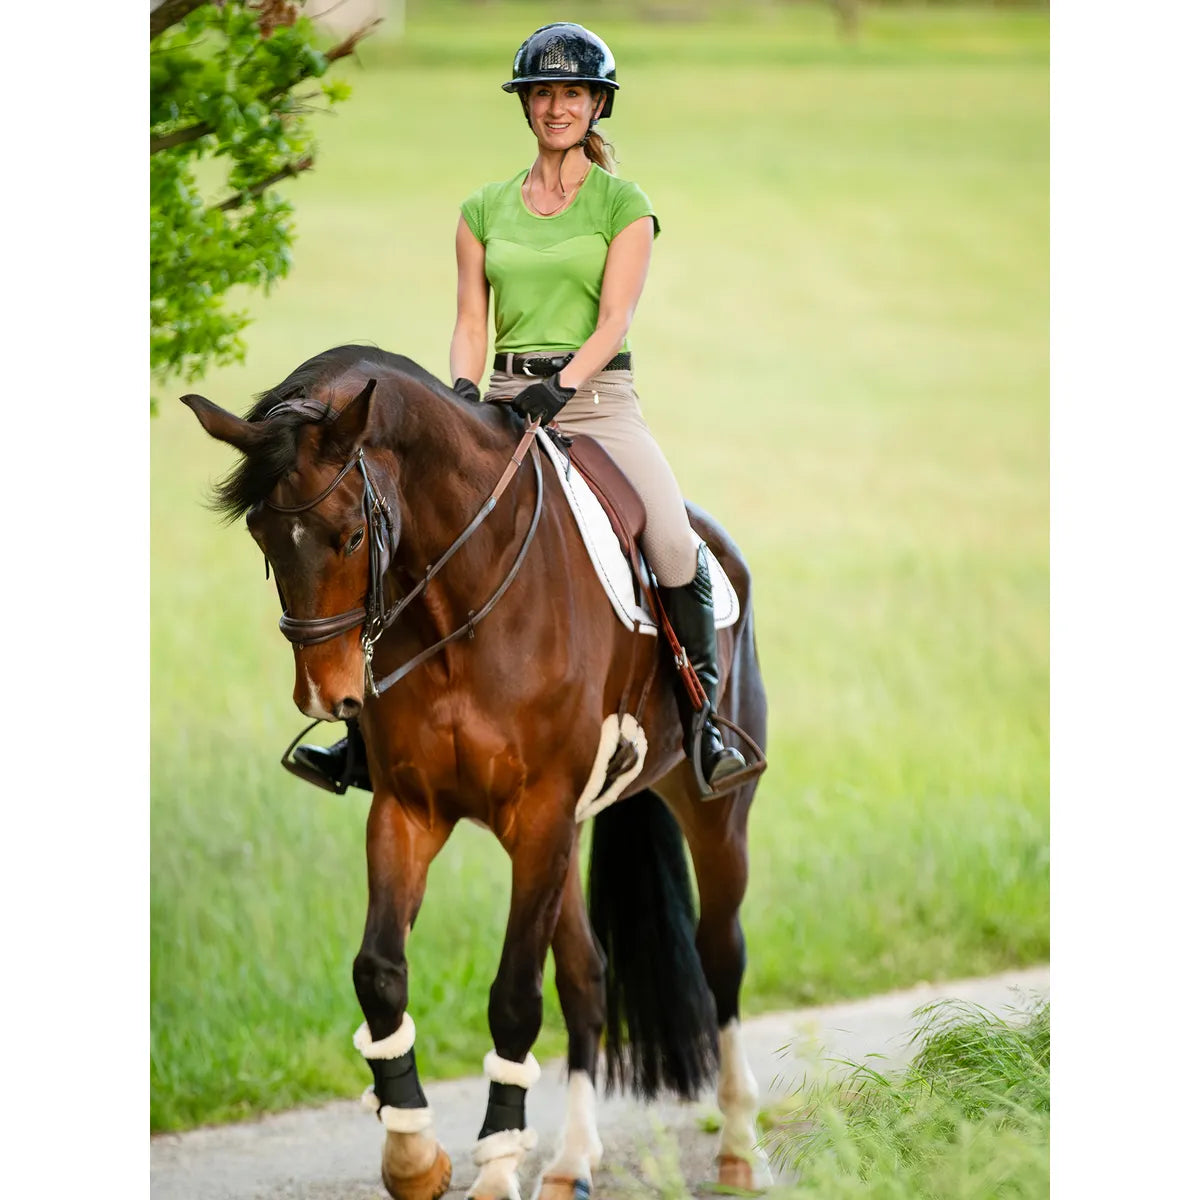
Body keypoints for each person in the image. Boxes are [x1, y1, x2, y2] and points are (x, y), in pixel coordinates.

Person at [296, 22, 745, 794]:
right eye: (543, 93)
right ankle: (363, 738)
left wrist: (562, 385)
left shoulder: (623, 204)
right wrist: (463, 393)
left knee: (673, 541)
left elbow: (616, 321)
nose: (556, 106)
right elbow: (472, 320)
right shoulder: (482, 208)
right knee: (402, 538)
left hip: (598, 403)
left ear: (597, 105)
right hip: (501, 402)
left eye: (573, 93)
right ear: (526, 105)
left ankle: (704, 725)